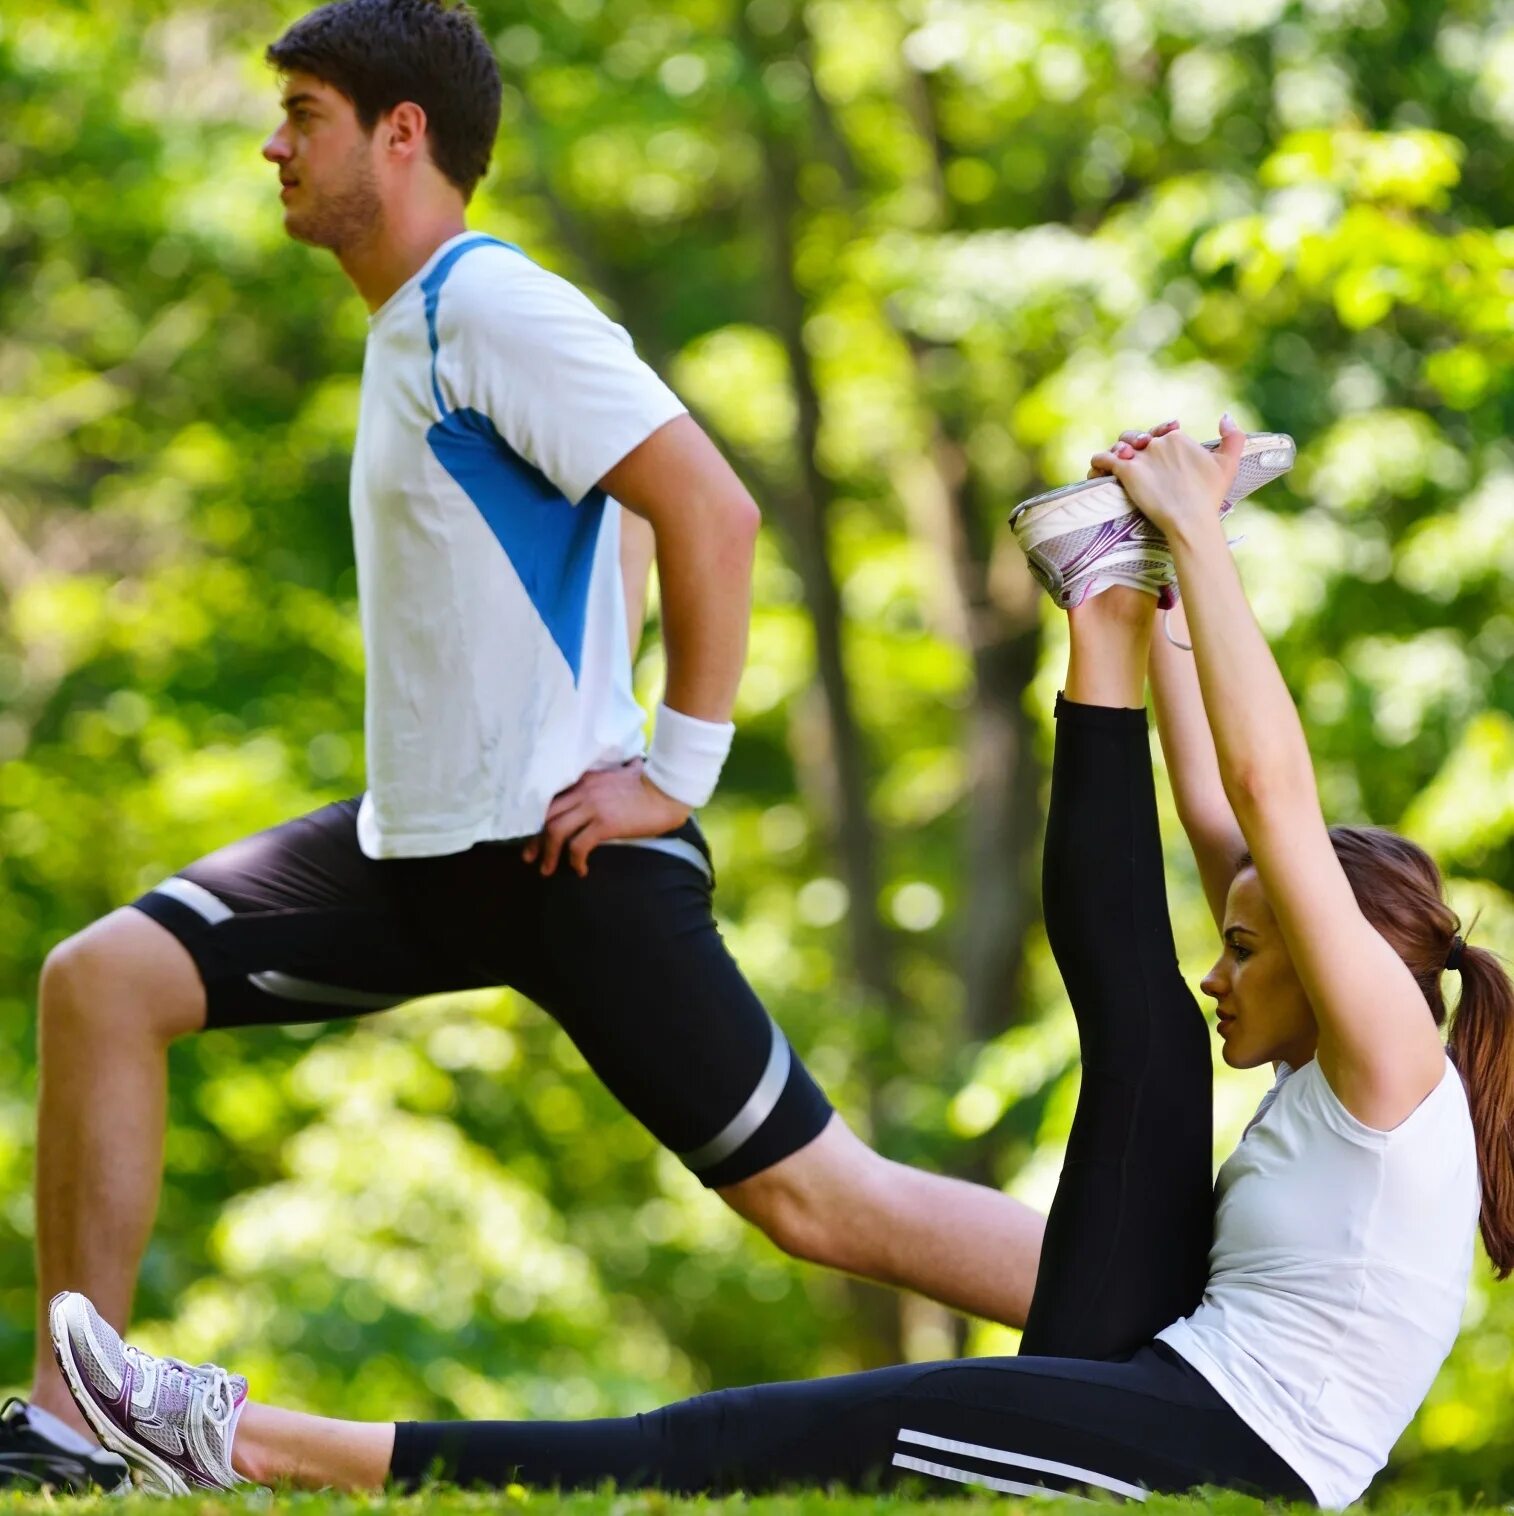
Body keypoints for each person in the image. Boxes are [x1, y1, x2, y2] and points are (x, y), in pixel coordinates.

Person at [49, 417, 1514, 1506]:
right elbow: (1214, 822)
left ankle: (223, 1435)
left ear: (1335, 970)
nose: (1220, 961)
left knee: (724, 1447)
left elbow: (1263, 800)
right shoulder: (1339, 1046)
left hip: (1224, 1458)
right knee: (1141, 1033)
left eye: (1249, 949)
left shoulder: (1387, 1057)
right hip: (1165, 1369)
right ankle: (1097, 601)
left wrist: (1201, 530)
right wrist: (1160, 598)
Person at [8, 0, 1052, 1489]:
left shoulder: (491, 305)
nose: (272, 145)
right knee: (102, 981)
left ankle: (1182, 1331)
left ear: (402, 131)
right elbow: (608, 516)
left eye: (301, 114)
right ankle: (76, 1418)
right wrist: (595, 696)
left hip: (563, 862)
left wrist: (666, 771)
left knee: (819, 1205)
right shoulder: (410, 329)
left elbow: (711, 508)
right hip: (413, 851)